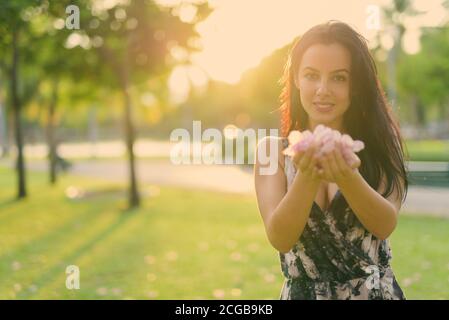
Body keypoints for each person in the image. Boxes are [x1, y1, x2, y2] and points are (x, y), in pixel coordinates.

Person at [254, 20, 408, 300]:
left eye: (338, 77)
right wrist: (307, 175)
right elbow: (280, 238)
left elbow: (385, 224)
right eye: (311, 75)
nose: (322, 89)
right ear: (297, 80)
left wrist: (348, 177)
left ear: (356, 85)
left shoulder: (382, 146)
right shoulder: (270, 152)